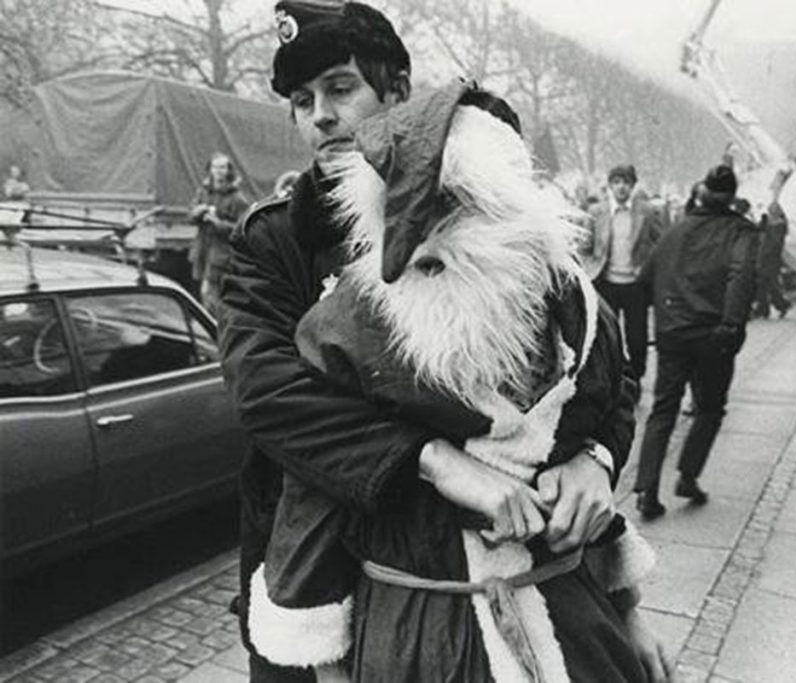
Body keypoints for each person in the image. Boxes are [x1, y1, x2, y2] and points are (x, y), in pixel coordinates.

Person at [216, 3, 664, 681]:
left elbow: (601, 373)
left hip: (523, 579)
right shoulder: (274, 240)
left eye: (340, 88)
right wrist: (433, 460)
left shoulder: (491, 215)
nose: (322, 117)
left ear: (398, 91)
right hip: (321, 578)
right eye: (302, 102)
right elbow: (269, 396)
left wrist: (595, 460)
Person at [632, 165, 759, 519]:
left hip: (673, 333)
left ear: (702, 193)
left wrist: (664, 315)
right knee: (710, 408)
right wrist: (732, 325)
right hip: (713, 335)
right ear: (732, 197)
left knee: (663, 409)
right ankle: (688, 476)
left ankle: (645, 489)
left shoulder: (677, 229)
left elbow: (645, 280)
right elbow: (742, 276)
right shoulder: (741, 231)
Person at [579, 164, 663, 379]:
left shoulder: (647, 212)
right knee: (607, 337)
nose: (621, 187)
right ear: (610, 185)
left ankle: (636, 378)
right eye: (616, 182)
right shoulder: (597, 212)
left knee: (637, 339)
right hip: (606, 282)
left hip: (636, 284)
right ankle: (612, 379)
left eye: (626, 182)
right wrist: (591, 270)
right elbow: (585, 247)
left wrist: (647, 268)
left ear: (633, 186)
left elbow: (660, 244)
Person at [189, 152, 249, 313]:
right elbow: (190, 218)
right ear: (210, 169)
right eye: (215, 167)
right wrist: (198, 212)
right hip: (202, 250)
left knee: (211, 296)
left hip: (221, 254)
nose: (218, 171)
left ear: (229, 170)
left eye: (223, 167)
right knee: (201, 294)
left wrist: (218, 223)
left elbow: (242, 229)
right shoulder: (203, 192)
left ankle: (214, 325)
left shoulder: (236, 197)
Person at [752, 171, 793, 319]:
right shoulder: (772, 223)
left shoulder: (778, 225)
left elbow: (772, 244)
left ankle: (779, 304)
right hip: (766, 257)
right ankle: (764, 307)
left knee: (768, 282)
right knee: (764, 283)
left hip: (769, 258)